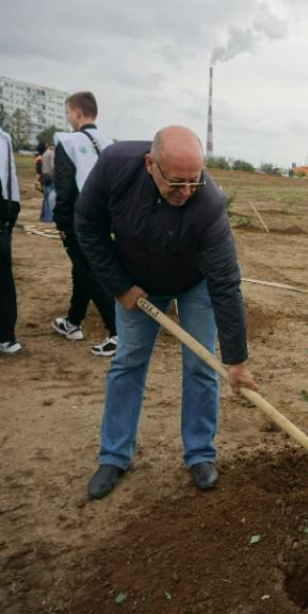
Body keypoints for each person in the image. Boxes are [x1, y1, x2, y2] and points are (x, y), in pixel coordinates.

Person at [75, 125, 258, 499]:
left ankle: (200, 454)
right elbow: (87, 225)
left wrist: (237, 360)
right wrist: (120, 287)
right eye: (177, 183)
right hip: (136, 282)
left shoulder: (208, 205)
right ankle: (114, 455)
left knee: (200, 364)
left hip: (195, 283)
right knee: (128, 361)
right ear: (150, 164)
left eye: (194, 182)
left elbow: (225, 284)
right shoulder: (115, 167)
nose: (186, 192)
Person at [52, 91, 118, 357]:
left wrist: (62, 222)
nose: (68, 118)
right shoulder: (109, 144)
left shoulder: (66, 141)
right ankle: (73, 321)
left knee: (90, 272)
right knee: (82, 269)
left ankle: (117, 332)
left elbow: (64, 186)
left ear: (77, 113)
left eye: (68, 112)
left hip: (79, 221)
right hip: (104, 219)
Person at [0, 127, 22, 354]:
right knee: (4, 277)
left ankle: (6, 335)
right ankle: (6, 336)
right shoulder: (4, 138)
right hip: (6, 207)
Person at [39, 142, 55, 223]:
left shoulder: (44, 154)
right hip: (50, 176)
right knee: (50, 198)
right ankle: (49, 218)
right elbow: (53, 166)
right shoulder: (51, 153)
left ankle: (43, 217)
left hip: (44, 176)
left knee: (46, 198)